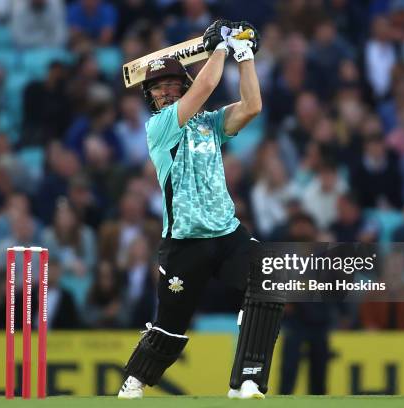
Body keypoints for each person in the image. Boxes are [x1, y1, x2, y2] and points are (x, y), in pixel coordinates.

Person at [118, 20, 285, 400]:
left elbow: (253, 106)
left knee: (269, 282)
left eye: (173, 86)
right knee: (170, 330)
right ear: (151, 98)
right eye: (158, 89)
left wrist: (243, 57)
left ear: (184, 87)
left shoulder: (209, 123)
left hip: (227, 234)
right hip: (184, 243)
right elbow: (207, 84)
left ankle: (247, 382)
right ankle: (136, 379)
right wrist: (220, 48)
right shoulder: (159, 128)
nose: (166, 93)